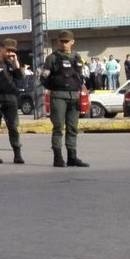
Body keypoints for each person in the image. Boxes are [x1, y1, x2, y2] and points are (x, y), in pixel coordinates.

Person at [40, 30, 89, 168]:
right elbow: (43, 77)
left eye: (66, 41)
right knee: (58, 127)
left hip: (74, 96)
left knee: (72, 127)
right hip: (58, 96)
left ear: (72, 42)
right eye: (61, 41)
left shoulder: (77, 57)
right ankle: (58, 157)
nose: (63, 43)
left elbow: (80, 77)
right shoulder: (52, 58)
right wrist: (54, 88)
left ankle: (72, 157)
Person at [0, 38, 25, 164]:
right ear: (1, 48)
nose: (10, 53)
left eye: (12, 51)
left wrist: (16, 63)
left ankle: (17, 154)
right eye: (8, 50)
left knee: (13, 127)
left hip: (11, 99)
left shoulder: (11, 64)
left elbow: (21, 77)